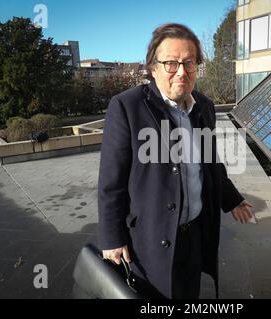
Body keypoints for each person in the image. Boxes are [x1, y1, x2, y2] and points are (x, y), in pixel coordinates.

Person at [98, 23, 253, 299]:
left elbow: (210, 162)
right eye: (171, 63)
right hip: (149, 241)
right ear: (153, 67)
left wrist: (232, 200)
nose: (181, 72)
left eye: (189, 63)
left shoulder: (204, 107)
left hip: (194, 233)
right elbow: (111, 182)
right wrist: (112, 237)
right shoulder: (127, 107)